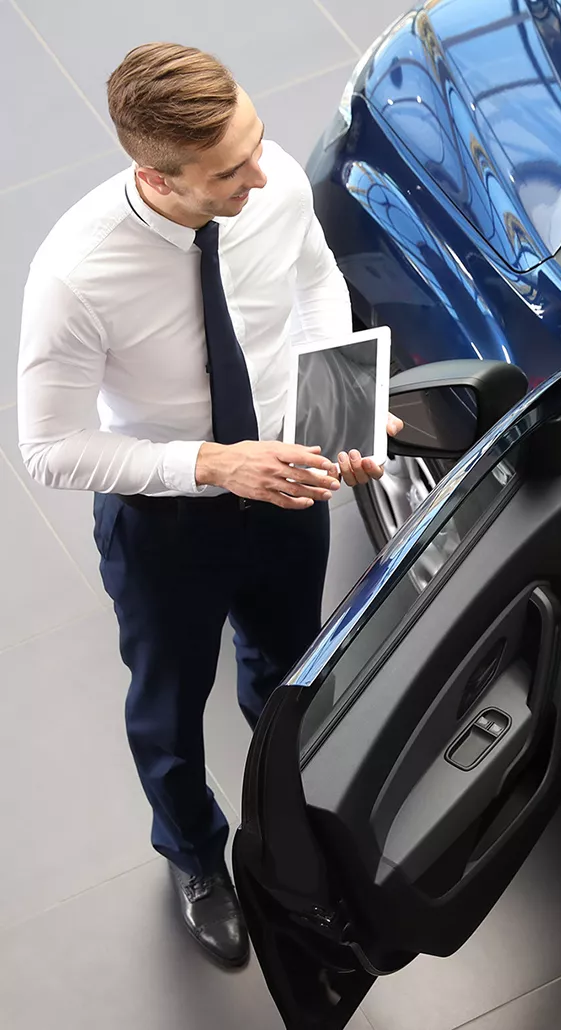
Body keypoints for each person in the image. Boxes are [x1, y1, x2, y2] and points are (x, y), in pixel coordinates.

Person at [17, 43, 402, 968]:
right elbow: (50, 447)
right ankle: (192, 853)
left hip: (288, 479)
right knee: (168, 705)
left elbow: (311, 284)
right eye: (230, 170)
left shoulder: (267, 189)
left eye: (255, 145)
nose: (261, 176)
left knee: (289, 660)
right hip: (169, 522)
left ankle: (289, 809)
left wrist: (339, 407)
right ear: (156, 175)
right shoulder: (76, 275)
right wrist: (214, 466)